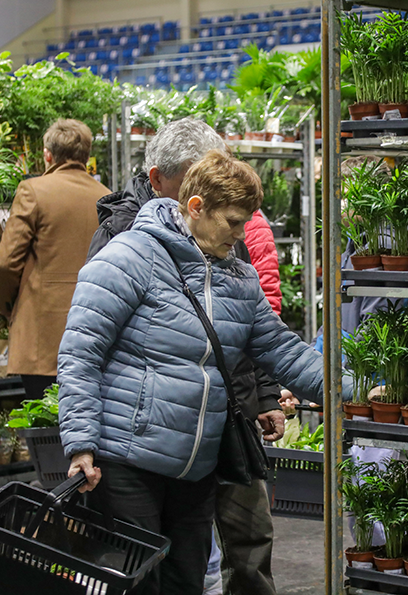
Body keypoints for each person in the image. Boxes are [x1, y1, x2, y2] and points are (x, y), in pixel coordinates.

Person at [58, 150, 341, 595]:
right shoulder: (132, 256)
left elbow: (283, 351)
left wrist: (354, 390)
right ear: (195, 208)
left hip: (196, 469)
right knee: (138, 584)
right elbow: (80, 352)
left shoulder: (240, 279)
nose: (240, 233)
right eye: (232, 221)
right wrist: (81, 443)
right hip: (128, 461)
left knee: (186, 583)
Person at [86, 117, 285, 595]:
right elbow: (85, 349)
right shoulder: (124, 241)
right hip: (143, 441)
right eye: (195, 183)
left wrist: (265, 394)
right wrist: (84, 440)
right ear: (162, 182)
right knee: (150, 568)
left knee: (237, 544)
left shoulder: (230, 235)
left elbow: (260, 326)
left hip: (221, 421)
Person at [0, 119, 109, 399]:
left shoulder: (33, 191)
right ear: (87, 156)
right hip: (96, 334)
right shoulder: (107, 198)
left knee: (44, 427)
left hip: (42, 339)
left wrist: (10, 309)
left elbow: (6, 263)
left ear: (47, 155)